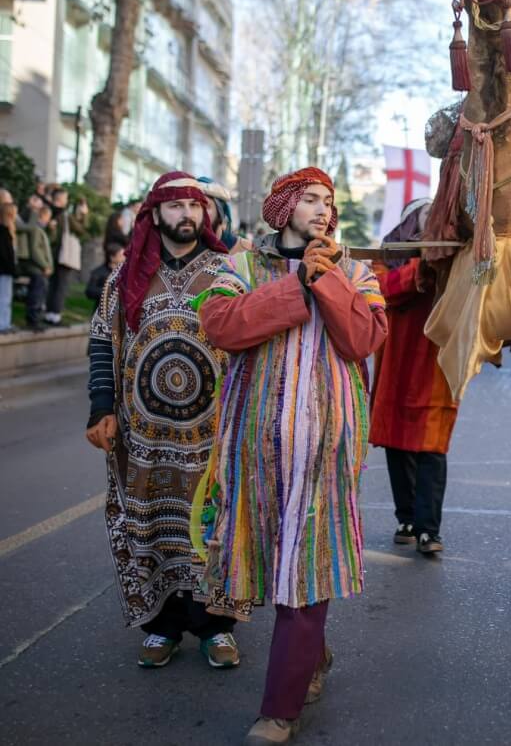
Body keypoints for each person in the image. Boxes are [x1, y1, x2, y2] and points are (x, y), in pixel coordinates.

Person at [197, 167, 387, 746]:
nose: (323, 209)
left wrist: (324, 281)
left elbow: (364, 341)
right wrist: (295, 286)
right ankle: (310, 656)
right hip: (252, 456)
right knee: (268, 570)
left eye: (329, 201)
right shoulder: (238, 267)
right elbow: (220, 326)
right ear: (282, 208)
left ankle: (278, 711)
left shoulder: (357, 272)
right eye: (310, 199)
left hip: (326, 456)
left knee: (304, 571)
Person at [83, 172, 247, 669]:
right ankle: (162, 626)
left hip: (211, 439)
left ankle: (216, 627)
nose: (186, 216)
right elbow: (100, 341)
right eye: (174, 207)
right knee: (154, 528)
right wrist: (101, 407)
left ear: (206, 214)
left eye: (194, 206)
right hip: (145, 439)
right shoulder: (126, 276)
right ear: (155, 215)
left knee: (212, 529)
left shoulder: (227, 271)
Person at [369, 197, 459, 555]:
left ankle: (428, 529)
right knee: (396, 444)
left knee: (432, 447)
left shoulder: (454, 256)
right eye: (425, 218)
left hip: (436, 367)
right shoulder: (384, 256)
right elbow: (382, 290)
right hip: (396, 365)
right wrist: (422, 266)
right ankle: (406, 518)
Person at [45, 186, 87, 325]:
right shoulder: (65, 215)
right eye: (66, 198)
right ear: (61, 198)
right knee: (61, 285)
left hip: (50, 252)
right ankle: (55, 315)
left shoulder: (47, 210)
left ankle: (48, 313)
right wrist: (84, 215)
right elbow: (81, 230)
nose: (67, 201)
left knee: (53, 283)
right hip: (63, 254)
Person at [16, 204, 53, 331]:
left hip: (38, 267)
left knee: (40, 293)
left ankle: (36, 319)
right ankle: (33, 320)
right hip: (35, 267)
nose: (49, 220)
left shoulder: (40, 229)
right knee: (36, 294)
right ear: (44, 215)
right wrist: (45, 265)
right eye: (48, 217)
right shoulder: (36, 229)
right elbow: (35, 249)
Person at [197, 177, 252, 254]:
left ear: (221, 212)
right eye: (195, 206)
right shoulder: (181, 252)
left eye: (206, 206)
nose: (199, 213)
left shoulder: (246, 249)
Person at [85, 241, 126, 312]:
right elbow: (89, 291)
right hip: (103, 313)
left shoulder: (125, 272)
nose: (124, 258)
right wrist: (109, 292)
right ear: (112, 257)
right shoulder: (99, 272)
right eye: (121, 255)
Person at [0, 201, 16, 333]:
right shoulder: (4, 232)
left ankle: (5, 323)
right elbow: (6, 254)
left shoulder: (6, 232)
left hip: (5, 270)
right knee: (4, 297)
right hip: (4, 270)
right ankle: (3, 324)